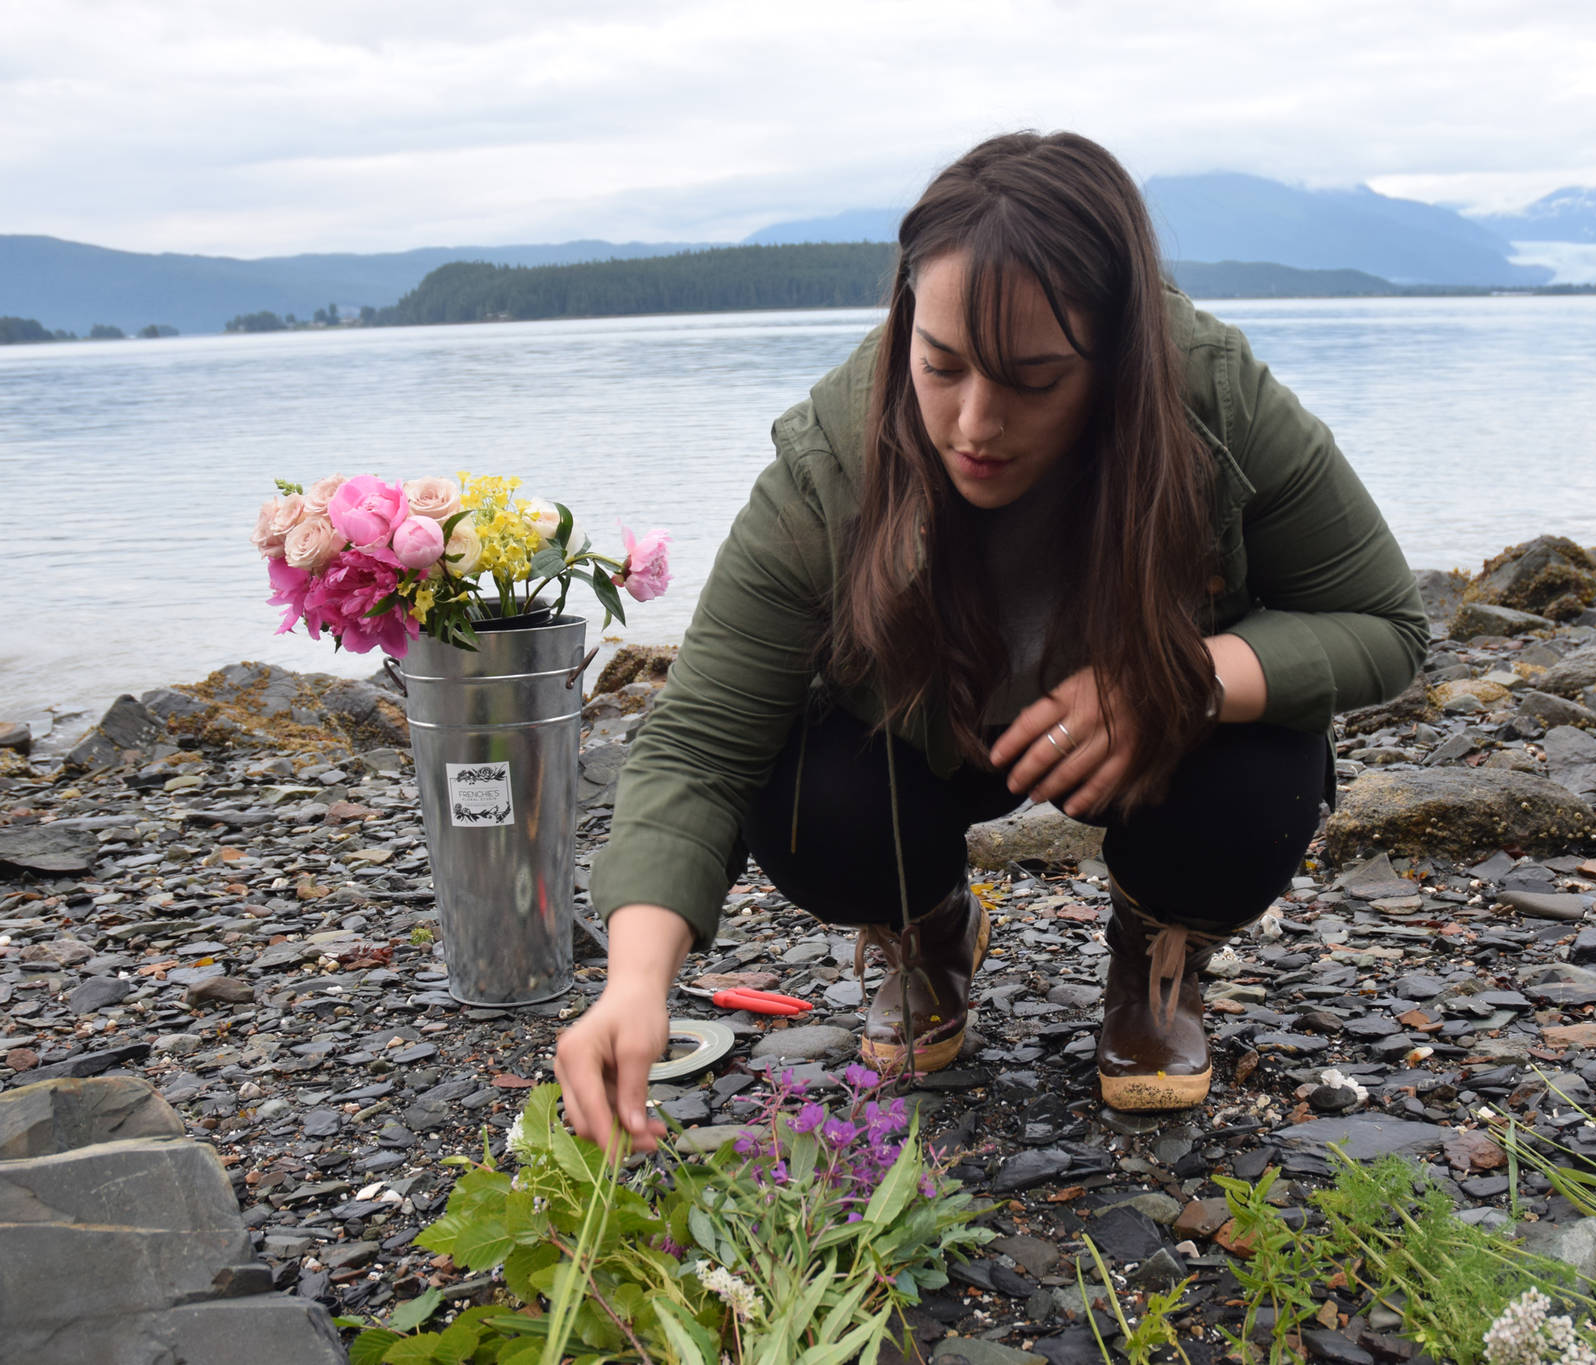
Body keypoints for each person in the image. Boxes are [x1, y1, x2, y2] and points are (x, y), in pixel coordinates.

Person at [555, 130, 1427, 1152]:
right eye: (941, 365)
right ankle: (923, 927)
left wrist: (1182, 679)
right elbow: (700, 740)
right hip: (929, 742)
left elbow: (1383, 621)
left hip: (1151, 749)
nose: (973, 422)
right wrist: (635, 985)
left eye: (1033, 380)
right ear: (904, 326)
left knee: (1257, 776)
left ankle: (1158, 940)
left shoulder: (1213, 399)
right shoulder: (831, 461)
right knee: (805, 807)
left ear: (1116, 361)